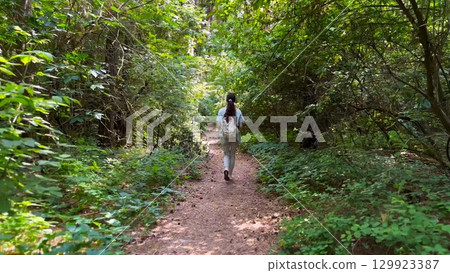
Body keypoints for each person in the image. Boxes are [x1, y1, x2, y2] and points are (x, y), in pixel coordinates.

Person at [217, 93, 244, 181]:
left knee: (226, 154)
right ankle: (230, 175)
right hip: (234, 135)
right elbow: (241, 126)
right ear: (235, 100)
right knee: (232, 154)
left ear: (226, 100)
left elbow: (219, 125)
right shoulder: (238, 111)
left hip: (224, 135)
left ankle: (226, 169)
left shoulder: (221, 111)